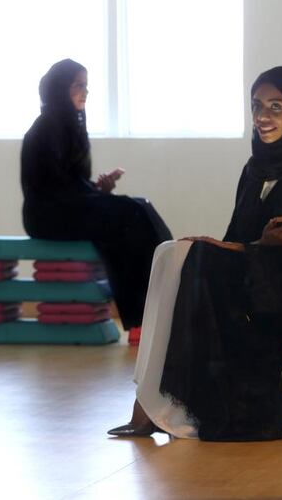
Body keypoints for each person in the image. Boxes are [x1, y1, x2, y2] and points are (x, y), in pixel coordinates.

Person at [108, 66, 282, 441]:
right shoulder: (254, 169)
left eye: (276, 107)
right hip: (258, 269)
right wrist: (240, 248)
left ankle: (167, 406)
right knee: (171, 253)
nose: (263, 116)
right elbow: (240, 238)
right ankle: (148, 401)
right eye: (257, 106)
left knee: (196, 258)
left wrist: (246, 248)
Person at [20, 59, 171, 344]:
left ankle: (162, 304)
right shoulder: (44, 130)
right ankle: (139, 319)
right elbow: (51, 190)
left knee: (139, 207)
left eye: (86, 86)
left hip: (67, 207)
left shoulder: (70, 126)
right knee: (126, 216)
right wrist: (92, 193)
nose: (84, 92)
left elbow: (71, 184)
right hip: (46, 215)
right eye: (78, 85)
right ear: (59, 89)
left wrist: (96, 188)